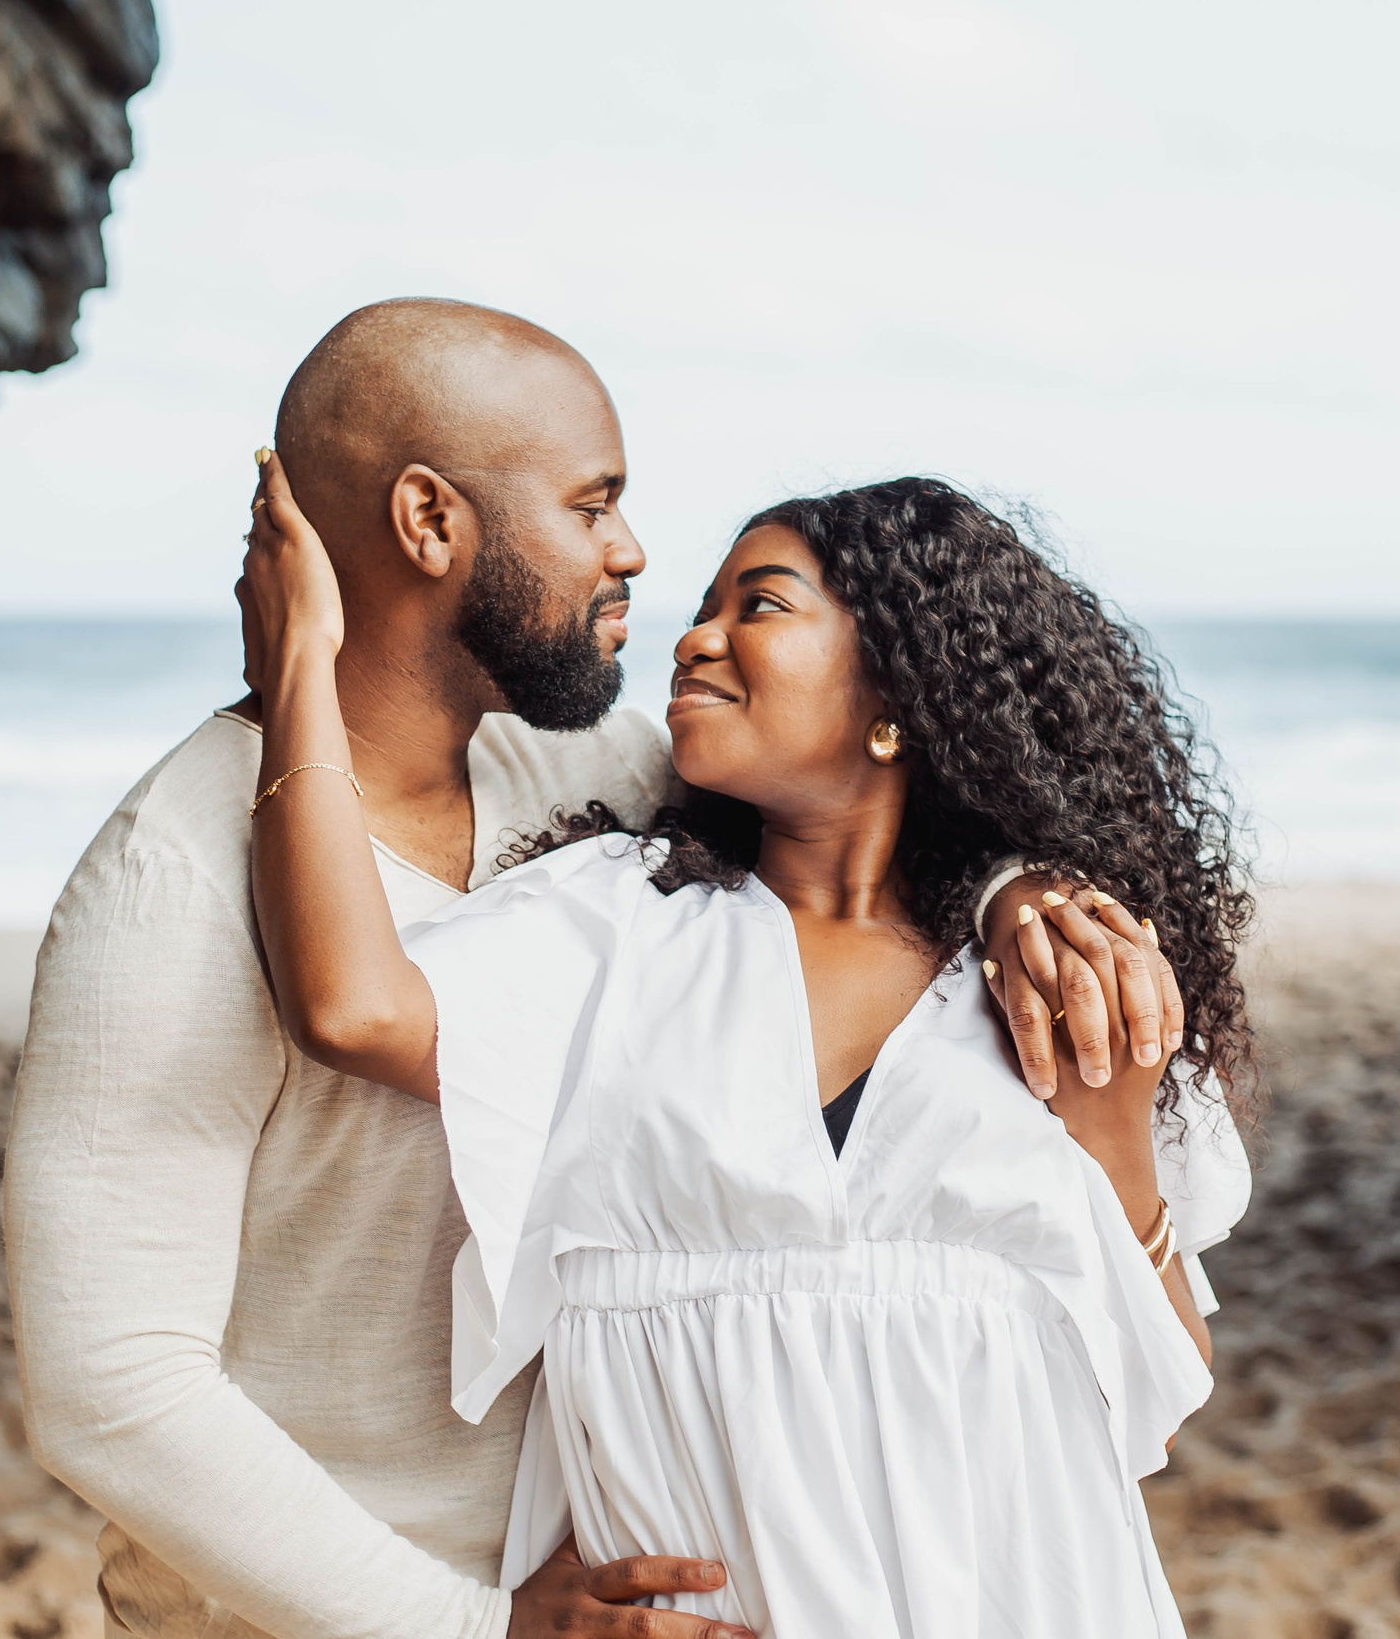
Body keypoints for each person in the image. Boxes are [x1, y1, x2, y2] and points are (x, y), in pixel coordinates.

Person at [4, 299, 1195, 1639]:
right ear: (430, 521)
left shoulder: (598, 784)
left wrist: (1018, 888)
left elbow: (856, 834)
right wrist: (475, 1624)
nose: (633, 554)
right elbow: (113, 1388)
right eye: (592, 503)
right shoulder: (174, 878)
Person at [239, 468, 1257, 1637]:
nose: (695, 639)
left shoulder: (1047, 965)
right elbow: (349, 1008)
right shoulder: (616, 922)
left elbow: (1160, 1396)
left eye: (758, 606)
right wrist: (300, 665)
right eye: (703, 606)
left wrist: (1116, 1126)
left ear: (900, 687)